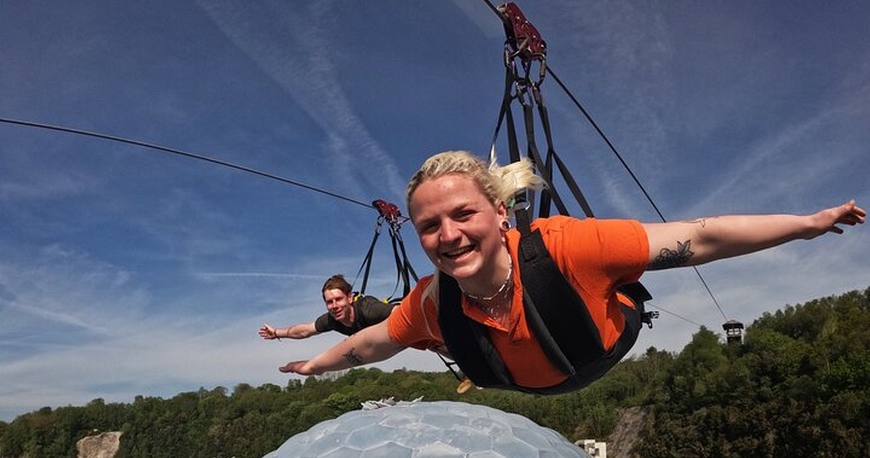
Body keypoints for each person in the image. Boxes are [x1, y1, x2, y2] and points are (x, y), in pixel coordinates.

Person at [275, 151, 865, 393]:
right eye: (430, 227)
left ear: (498, 211)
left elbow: (700, 237)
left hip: (601, 345)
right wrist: (314, 364)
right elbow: (367, 345)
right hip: (536, 376)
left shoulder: (565, 248)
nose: (447, 236)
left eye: (463, 215)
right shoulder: (433, 302)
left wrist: (806, 224)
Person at [259, 274, 397, 340]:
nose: (335, 306)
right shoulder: (332, 320)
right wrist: (276, 332)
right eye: (330, 302)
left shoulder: (368, 309)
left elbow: (401, 312)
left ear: (349, 298)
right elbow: (305, 330)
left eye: (338, 299)